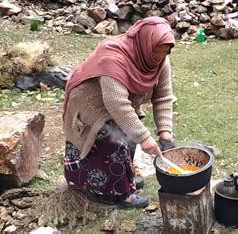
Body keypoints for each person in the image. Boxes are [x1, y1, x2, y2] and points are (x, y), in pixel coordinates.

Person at [62, 16, 176, 209]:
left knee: (130, 134)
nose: (159, 57)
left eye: (165, 52)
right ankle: (115, 193)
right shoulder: (113, 57)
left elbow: (163, 96)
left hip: (116, 101)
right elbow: (117, 104)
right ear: (145, 43)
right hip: (90, 102)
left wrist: (165, 133)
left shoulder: (160, 59)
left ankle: (125, 179)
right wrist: (145, 137)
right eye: (156, 51)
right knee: (112, 140)